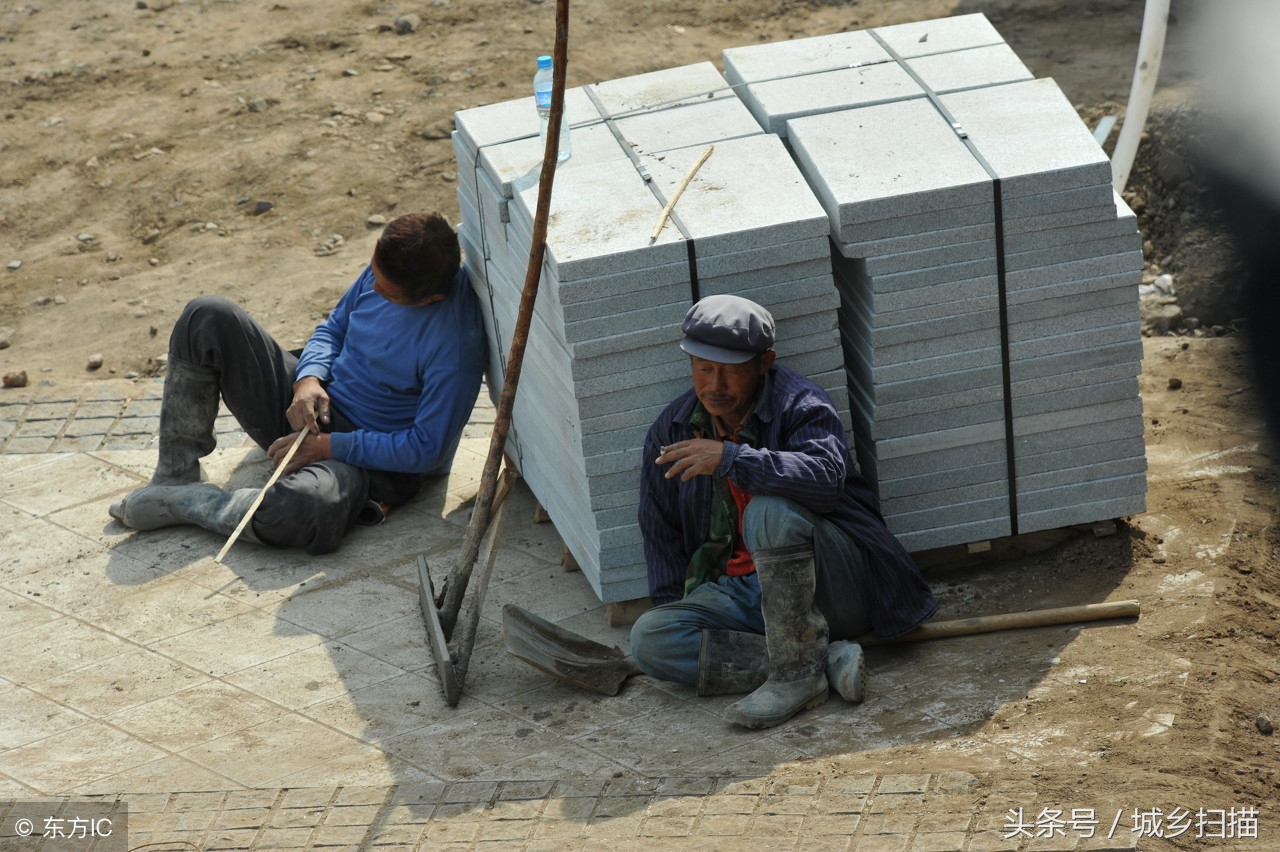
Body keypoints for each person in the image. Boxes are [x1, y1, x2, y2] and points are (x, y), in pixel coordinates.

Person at [630, 294, 938, 729]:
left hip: (830, 588)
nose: (714, 384)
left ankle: (795, 673)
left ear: (764, 363)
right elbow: (658, 527)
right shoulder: (674, 427)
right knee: (649, 640)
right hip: (747, 596)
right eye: (703, 368)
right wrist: (679, 612)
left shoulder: (802, 405)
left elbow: (827, 481)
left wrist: (734, 459)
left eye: (731, 370)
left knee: (768, 511)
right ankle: (819, 663)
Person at [109, 212, 487, 554]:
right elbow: (334, 327)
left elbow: (427, 449)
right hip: (316, 407)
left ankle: (190, 503)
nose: (373, 288)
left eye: (386, 292)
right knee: (206, 315)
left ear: (429, 299)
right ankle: (175, 473)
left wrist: (329, 447)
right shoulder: (389, 269)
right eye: (372, 274)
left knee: (304, 507)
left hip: (365, 461)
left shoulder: (455, 345)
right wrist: (308, 379)